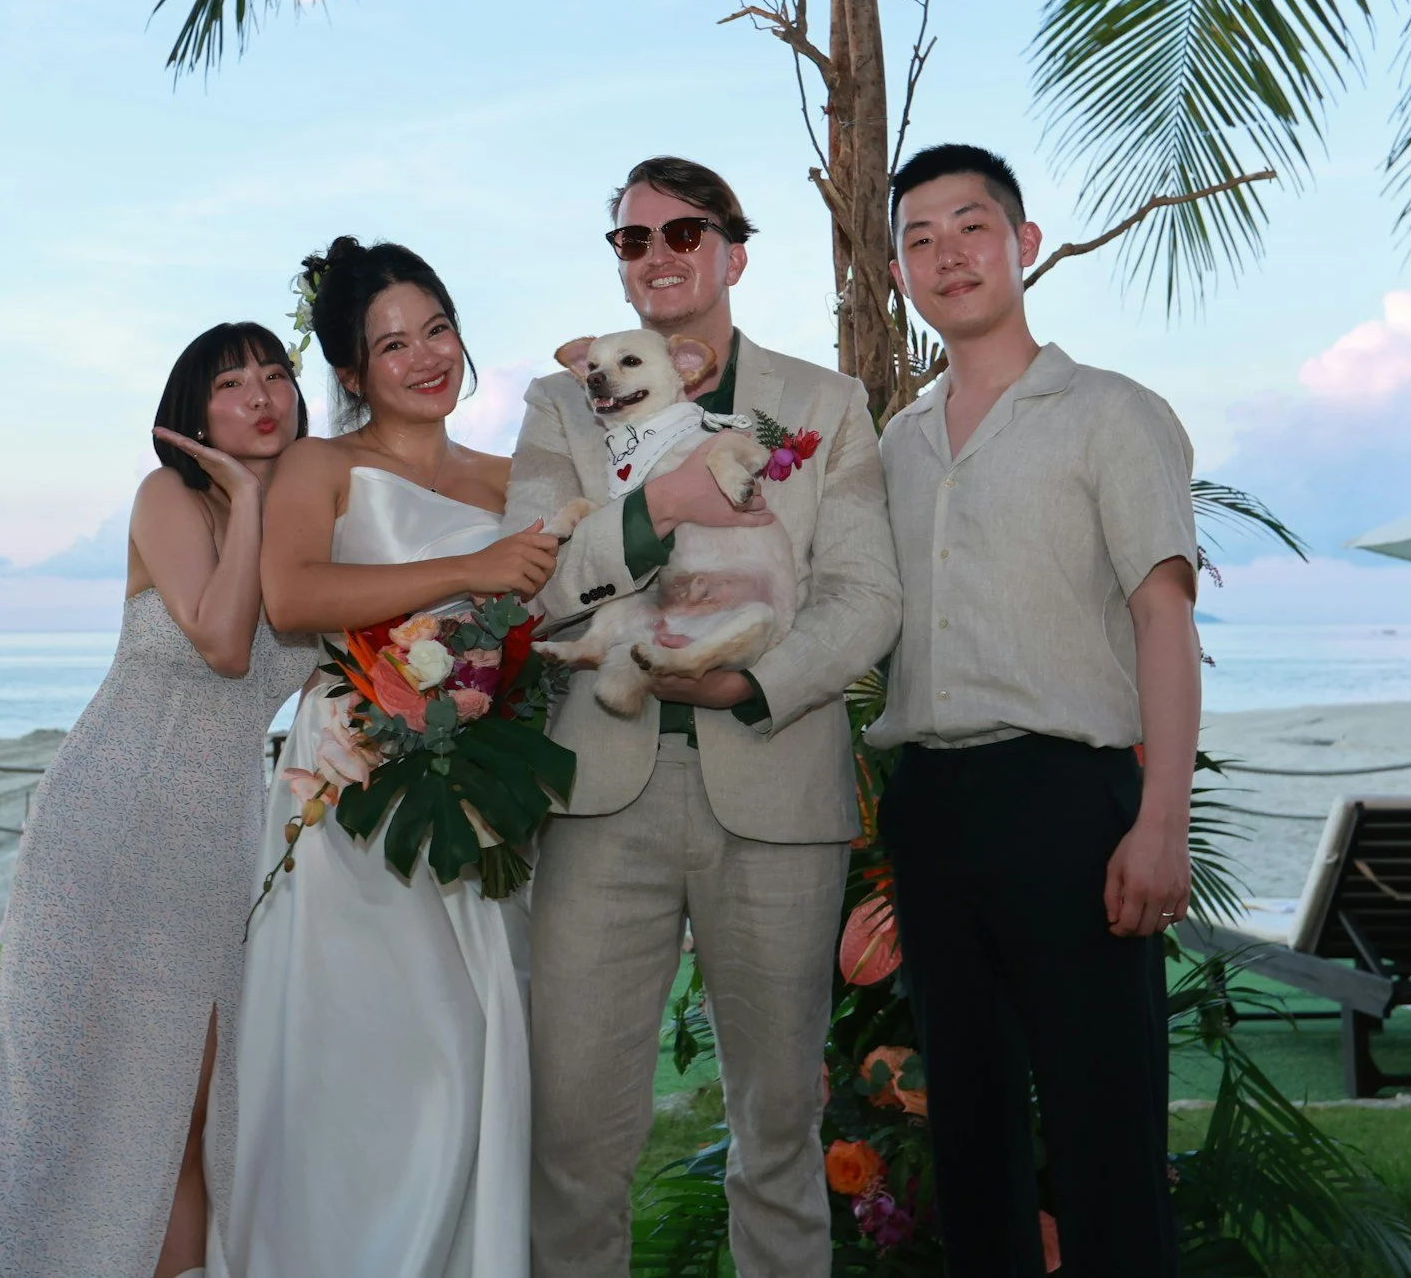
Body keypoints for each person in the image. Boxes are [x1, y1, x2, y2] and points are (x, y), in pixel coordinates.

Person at [508, 157, 902, 1277]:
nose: (659, 255)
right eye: (632, 239)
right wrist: (653, 513)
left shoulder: (824, 403)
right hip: (599, 798)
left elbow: (867, 595)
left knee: (779, 1135)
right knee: (575, 1139)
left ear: (733, 251)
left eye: (685, 232)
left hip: (774, 788)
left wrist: (758, 684)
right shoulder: (557, 402)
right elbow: (532, 579)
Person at [871, 144, 1201, 1276]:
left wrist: (1161, 818)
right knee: (966, 1132)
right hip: (930, 806)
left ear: (1025, 244)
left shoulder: (1109, 413)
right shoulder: (894, 446)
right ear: (898, 272)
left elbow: (1163, 617)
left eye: (969, 226)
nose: (944, 254)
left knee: (1104, 1124)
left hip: (1070, 800)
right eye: (917, 237)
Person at [0, 321, 316, 1278]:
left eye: (276, 374)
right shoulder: (169, 496)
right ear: (191, 415)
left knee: (186, 1106)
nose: (262, 395)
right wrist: (240, 493)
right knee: (65, 1093)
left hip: (214, 843)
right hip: (107, 821)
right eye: (233, 383)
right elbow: (227, 644)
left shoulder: (309, 532)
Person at [224, 237, 561, 1278]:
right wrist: (471, 565)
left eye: (438, 329)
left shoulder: (517, 477)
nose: (424, 357)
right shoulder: (321, 465)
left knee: (467, 1049)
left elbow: (547, 616)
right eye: (392, 343)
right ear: (354, 370)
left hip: (472, 787)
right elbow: (293, 596)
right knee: (358, 1055)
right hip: (350, 781)